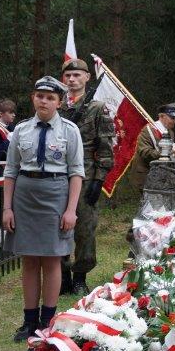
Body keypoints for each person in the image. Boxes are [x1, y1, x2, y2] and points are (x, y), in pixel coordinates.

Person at [3, 76, 84, 341]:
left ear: (59, 102)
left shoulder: (70, 131)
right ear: (33, 98)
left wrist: (71, 210)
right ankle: (29, 321)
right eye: (40, 96)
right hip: (25, 196)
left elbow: (76, 173)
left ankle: (48, 321)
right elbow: (11, 171)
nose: (44, 101)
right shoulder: (21, 130)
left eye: (50, 97)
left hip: (55, 194)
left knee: (51, 259)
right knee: (28, 259)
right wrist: (7, 208)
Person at [59, 58, 115, 295]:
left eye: (77, 75)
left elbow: (105, 147)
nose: (72, 79)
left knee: (84, 227)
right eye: (68, 75)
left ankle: (80, 276)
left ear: (87, 78)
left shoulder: (97, 108)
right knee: (57, 226)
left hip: (85, 175)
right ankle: (61, 276)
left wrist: (99, 180)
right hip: (57, 174)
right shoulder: (56, 105)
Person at [129, 103, 175, 193]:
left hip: (161, 176)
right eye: (172, 118)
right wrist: (169, 151)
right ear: (162, 116)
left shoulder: (170, 133)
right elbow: (145, 153)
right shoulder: (148, 130)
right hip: (145, 175)